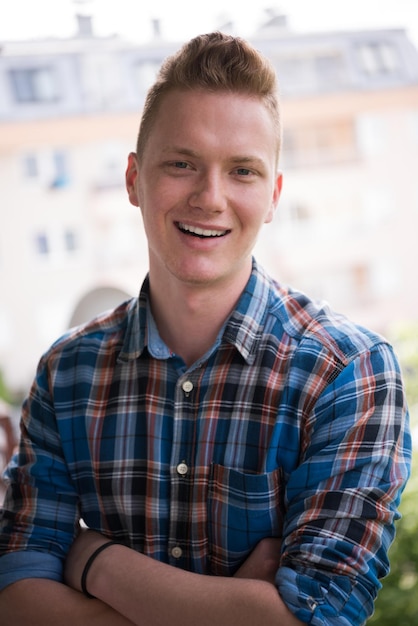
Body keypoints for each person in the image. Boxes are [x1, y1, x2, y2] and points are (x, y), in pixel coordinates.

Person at [0, 31, 411, 625]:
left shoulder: (348, 373)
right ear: (134, 180)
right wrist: (234, 606)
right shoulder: (67, 374)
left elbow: (312, 619)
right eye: (182, 164)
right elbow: (16, 599)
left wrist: (94, 562)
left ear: (272, 195)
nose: (210, 197)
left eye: (241, 171)